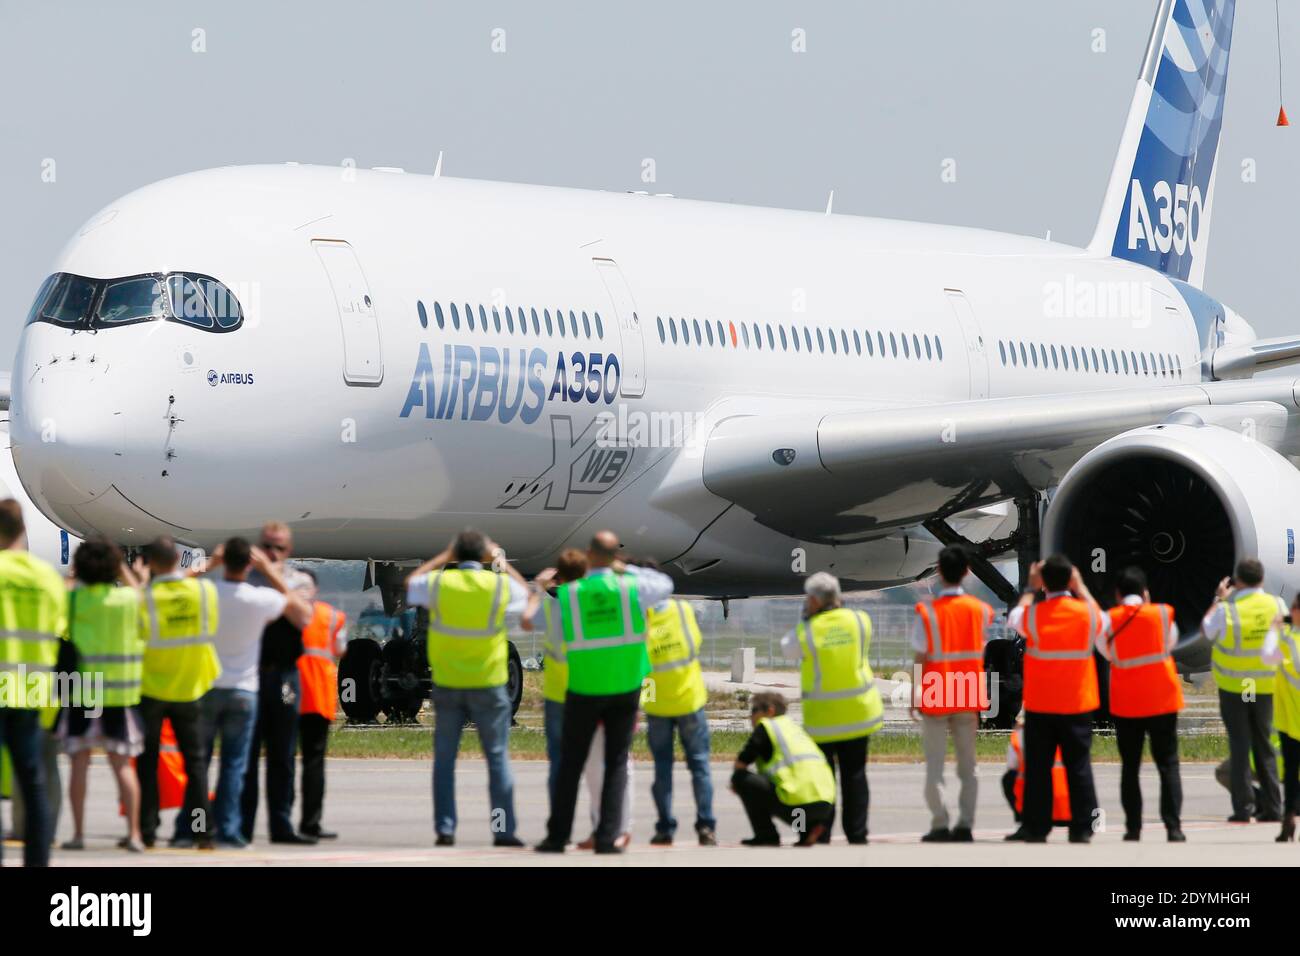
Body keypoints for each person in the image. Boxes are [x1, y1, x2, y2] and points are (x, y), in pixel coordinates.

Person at [535, 530, 674, 854]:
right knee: (616, 762)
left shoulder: (571, 593)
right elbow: (665, 585)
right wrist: (625, 568)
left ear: (589, 555)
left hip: (585, 686)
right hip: (625, 686)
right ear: (615, 557)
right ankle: (609, 837)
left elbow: (537, 617)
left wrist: (540, 587)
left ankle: (557, 837)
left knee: (571, 764)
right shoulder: (631, 588)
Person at [406, 528, 530, 847]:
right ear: (483, 556)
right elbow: (525, 594)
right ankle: (503, 830)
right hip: (488, 684)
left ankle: (445, 829)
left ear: (456, 555)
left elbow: (411, 585)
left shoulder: (440, 583)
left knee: (445, 760)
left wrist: (444, 558)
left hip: (448, 684)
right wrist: (500, 561)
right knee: (498, 760)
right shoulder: (496, 584)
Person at [523, 549, 638, 849]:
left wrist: (540, 588)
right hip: (601, 686)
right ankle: (608, 830)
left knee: (569, 767)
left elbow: (525, 618)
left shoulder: (558, 605)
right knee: (608, 763)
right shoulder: (600, 599)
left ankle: (562, 833)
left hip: (568, 693)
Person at [195, 537, 306, 848]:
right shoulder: (256, 598)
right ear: (249, 563)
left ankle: (197, 827)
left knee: (201, 763)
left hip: (212, 687)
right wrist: (271, 572)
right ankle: (229, 829)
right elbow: (299, 610)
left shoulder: (208, 592)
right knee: (235, 765)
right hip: (244, 691)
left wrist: (209, 564)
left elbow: (172, 583)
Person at [780, 571, 883, 844]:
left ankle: (821, 832)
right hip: (859, 713)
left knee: (823, 780)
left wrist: (805, 618)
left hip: (824, 719)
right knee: (855, 776)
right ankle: (857, 834)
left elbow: (787, 650)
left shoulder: (808, 630)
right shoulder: (860, 621)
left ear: (813, 600)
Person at [1006, 554, 1103, 843]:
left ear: (1043, 581)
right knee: (1079, 766)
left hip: (1042, 704)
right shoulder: (1085, 613)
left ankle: (1037, 828)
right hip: (1076, 702)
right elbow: (1102, 619)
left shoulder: (1034, 616)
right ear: (1070, 580)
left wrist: (1029, 589)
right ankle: (1082, 827)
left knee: (1038, 769)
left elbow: (1014, 619)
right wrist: (1081, 587)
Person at [59, 537, 147, 853]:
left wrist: (74, 574)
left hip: (84, 690)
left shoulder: (74, 601)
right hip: (120, 695)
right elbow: (139, 592)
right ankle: (135, 834)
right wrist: (122, 566)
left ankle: (79, 834)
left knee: (79, 764)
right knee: (123, 766)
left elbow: (65, 594)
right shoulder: (127, 601)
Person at [137, 535, 220, 849]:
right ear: (178, 561)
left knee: (148, 764)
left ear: (152, 564)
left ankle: (147, 830)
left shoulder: (145, 598)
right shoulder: (202, 592)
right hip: (191, 688)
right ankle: (203, 831)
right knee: (196, 766)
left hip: (153, 689)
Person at [0, 498, 68, 867]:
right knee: (34, 781)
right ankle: (37, 860)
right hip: (32, 692)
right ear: (23, 530)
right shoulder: (47, 579)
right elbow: (60, 634)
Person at [911, 545, 992, 843]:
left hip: (936, 693)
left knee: (935, 766)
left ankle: (939, 823)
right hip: (968, 693)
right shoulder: (980, 611)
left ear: (939, 572)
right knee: (968, 766)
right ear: (967, 571)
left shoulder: (927, 613)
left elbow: (920, 657)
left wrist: (915, 694)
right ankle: (965, 825)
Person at [1099, 566, 1185, 842]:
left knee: (1130, 767)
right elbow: (1170, 643)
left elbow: (1106, 651)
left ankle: (1133, 828)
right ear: (1145, 592)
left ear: (1117, 594)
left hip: (1128, 703)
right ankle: (1173, 827)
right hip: (1162, 700)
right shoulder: (1161, 615)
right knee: (1168, 764)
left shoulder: (1110, 620)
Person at [241, 521, 314, 844]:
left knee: (282, 756)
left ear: (289, 551)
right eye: (267, 546)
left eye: (279, 548)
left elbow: (303, 617)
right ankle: (241, 826)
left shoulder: (299, 580)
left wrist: (272, 577)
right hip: (251, 672)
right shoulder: (245, 578)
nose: (272, 553)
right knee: (246, 755)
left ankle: (281, 825)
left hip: (284, 674)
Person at [636, 557, 716, 847]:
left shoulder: (636, 621)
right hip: (689, 699)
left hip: (657, 706)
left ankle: (665, 828)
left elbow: (639, 668)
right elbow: (695, 644)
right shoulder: (682, 611)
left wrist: (644, 704)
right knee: (700, 766)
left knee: (662, 769)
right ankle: (706, 826)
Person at [1202, 557, 1284, 823]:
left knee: (1239, 747)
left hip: (1234, 688)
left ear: (1237, 581)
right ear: (1261, 579)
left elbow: (1206, 630)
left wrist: (1219, 599)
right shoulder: (1276, 604)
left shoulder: (1228, 609)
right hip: (1265, 687)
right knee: (1264, 747)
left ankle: (1243, 808)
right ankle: (1273, 807)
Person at [521, 549, 589, 806]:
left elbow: (526, 621)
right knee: (597, 762)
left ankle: (559, 821)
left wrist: (539, 589)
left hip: (558, 695)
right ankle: (603, 827)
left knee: (559, 763)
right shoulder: (594, 607)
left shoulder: (553, 611)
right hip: (592, 690)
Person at [731, 691, 835, 847]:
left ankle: (766, 835)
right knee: (793, 796)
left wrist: (736, 784)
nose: (750, 717)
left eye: (754, 711)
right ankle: (807, 831)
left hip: (798, 804)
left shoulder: (767, 727)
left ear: (770, 711)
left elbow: (741, 764)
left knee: (740, 779)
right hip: (825, 804)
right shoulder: (795, 729)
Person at [295, 566, 346, 840]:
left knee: (281, 762)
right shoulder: (331, 616)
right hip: (317, 696)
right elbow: (341, 650)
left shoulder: (281, 611)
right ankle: (310, 823)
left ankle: (277, 820)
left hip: (287, 695)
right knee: (314, 763)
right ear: (314, 590)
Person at [1002, 714, 1070, 838]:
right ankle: (1080, 825)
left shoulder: (1021, 734)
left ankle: (1024, 823)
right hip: (1069, 811)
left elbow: (1011, 766)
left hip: (1040, 815)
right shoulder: (1066, 730)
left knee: (1009, 778)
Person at [1270, 594, 1300, 840]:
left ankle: (1288, 817)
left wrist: (1274, 628)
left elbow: (1267, 658)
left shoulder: (1286, 639)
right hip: (1290, 718)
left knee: (1291, 772)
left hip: (1289, 719)